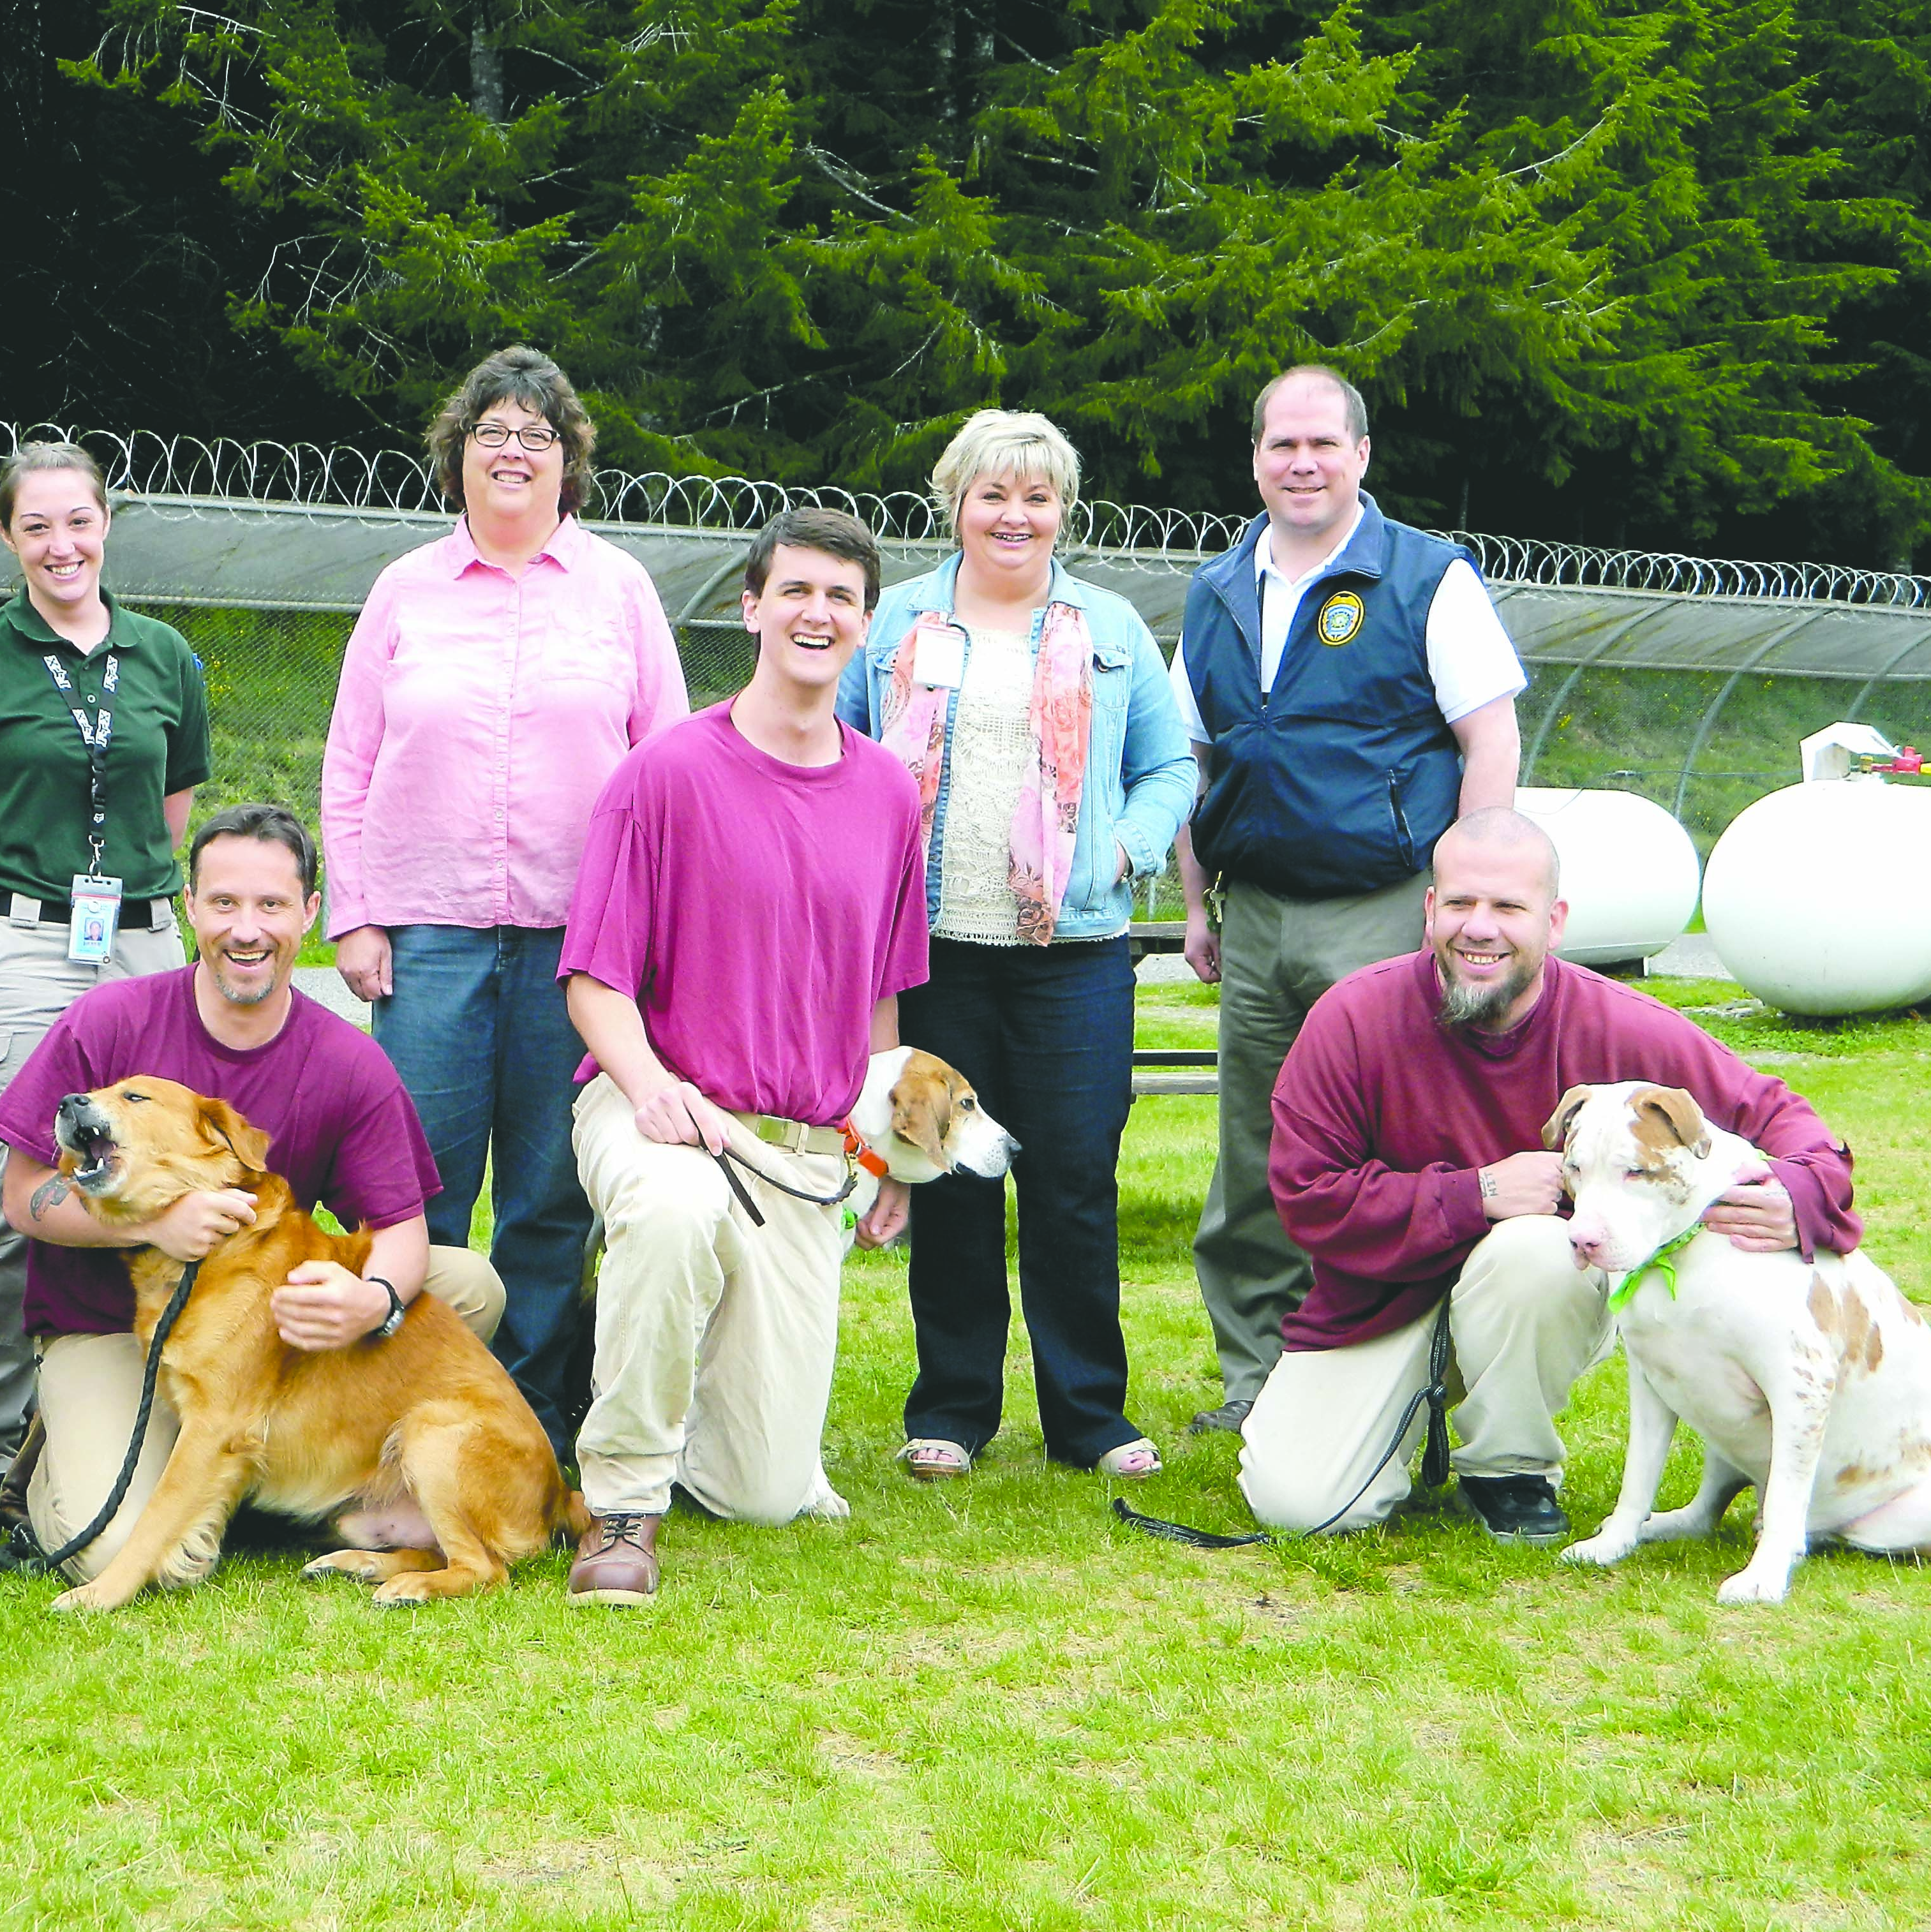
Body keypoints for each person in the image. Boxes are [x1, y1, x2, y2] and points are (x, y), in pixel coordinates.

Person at [1241, 809, 1861, 1540]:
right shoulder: (1352, 1019)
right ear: (1431, 910)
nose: (1481, 927)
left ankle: (1510, 1470)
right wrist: (1477, 1194)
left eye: (1509, 907)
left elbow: (1778, 1114)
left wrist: (1803, 1192)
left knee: (1537, 1250)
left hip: (1534, 1292)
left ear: (1554, 921)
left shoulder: (1618, 1024)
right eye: (1462, 904)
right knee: (1300, 1509)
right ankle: (1412, 1414)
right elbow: (1307, 1198)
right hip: (1376, 1301)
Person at [557, 507, 930, 1607]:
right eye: (797, 591)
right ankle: (621, 1505)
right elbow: (594, 984)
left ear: (867, 626)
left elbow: (879, 999)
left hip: (800, 1150)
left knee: (764, 1492)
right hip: (663, 1108)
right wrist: (652, 1091)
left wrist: (883, 1153)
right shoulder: (664, 774)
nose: (818, 613)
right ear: (752, 607)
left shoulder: (887, 795)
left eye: (842, 598)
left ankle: (629, 1340)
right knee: (673, 1212)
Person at [0, 803, 507, 1581]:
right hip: (109, 1328)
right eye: (224, 903)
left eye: (271, 905)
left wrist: (374, 1302)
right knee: (130, 1557)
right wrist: (151, 1226)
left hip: (252, 1325)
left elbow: (401, 1228)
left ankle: (273, 1460)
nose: (247, 929)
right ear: (190, 906)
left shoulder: (345, 1062)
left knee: (467, 1286)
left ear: (310, 914)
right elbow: (23, 1196)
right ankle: (67, 1451)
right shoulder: (112, 1023)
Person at [324, 346, 689, 1460]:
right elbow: (348, 763)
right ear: (459, 456)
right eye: (493, 432)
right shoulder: (406, 592)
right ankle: (398, 1408)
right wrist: (356, 913)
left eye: (537, 433)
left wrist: (652, 936)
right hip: (425, 936)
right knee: (416, 1187)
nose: (514, 451)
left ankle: (525, 1419)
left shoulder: (620, 591)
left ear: (567, 460)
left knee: (546, 1196)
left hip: (576, 949)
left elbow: (665, 765)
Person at [837, 409, 1197, 1482]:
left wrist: (1123, 856)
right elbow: (851, 760)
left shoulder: (1115, 626)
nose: (1015, 515)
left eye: (1038, 497)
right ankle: (951, 1408)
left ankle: (1089, 1416)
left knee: (1076, 1179)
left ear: (1062, 512)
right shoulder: (894, 618)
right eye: (994, 494)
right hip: (934, 943)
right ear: (955, 500)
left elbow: (1169, 769)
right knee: (945, 1175)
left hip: (1076, 953)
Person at [1170, 366, 1526, 1436]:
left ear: (1362, 456)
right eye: (1283, 445)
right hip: (1262, 912)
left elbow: (1489, 737)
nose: (1303, 462)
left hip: (1387, 903)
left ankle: (1416, 1382)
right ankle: (1260, 1381)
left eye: (1324, 443)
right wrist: (1199, 905)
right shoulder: (1217, 590)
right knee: (1258, 1157)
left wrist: (1470, 898)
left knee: (1406, 1148)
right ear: (1256, 459)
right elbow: (1198, 758)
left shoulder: (1427, 578)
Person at [0, 440, 212, 1523]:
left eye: (79, 521)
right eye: (38, 527)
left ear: (107, 523)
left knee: (147, 1178)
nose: (61, 545)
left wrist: (147, 917)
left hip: (139, 940)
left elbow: (171, 813)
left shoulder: (165, 654)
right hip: (16, 946)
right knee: (10, 1197)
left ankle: (127, 1417)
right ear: (8, 538)